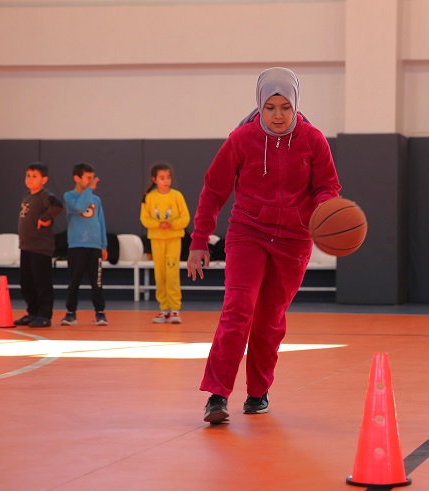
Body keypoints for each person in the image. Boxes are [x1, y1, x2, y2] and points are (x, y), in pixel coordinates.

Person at [187, 67, 341, 424]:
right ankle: (217, 395)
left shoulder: (314, 139)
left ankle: (257, 393)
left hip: (294, 239)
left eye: (284, 107)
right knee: (237, 309)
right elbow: (213, 191)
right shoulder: (241, 139)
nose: (277, 115)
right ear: (259, 105)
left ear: (295, 105)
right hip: (248, 232)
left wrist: (323, 210)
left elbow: (328, 186)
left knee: (270, 319)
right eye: (270, 107)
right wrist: (198, 242)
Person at [140, 161, 190, 324]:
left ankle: (175, 309)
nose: (166, 181)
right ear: (154, 179)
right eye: (162, 178)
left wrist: (172, 224)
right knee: (160, 274)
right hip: (157, 240)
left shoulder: (177, 196)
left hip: (173, 239)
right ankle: (164, 310)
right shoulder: (149, 197)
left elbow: (185, 217)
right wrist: (158, 224)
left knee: (172, 274)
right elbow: (145, 218)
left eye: (168, 177)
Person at [15, 162, 64, 328]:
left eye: (34, 176)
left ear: (44, 179)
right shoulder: (26, 196)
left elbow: (57, 205)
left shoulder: (45, 196)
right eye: (28, 175)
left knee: (41, 282)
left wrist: (45, 217)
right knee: (26, 282)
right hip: (26, 247)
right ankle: (33, 312)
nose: (30, 179)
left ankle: (44, 315)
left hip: (40, 248)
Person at [60, 162, 109, 327]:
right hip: (76, 246)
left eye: (92, 178)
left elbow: (100, 221)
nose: (92, 181)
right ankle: (71, 313)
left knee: (97, 282)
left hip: (94, 247)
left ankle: (100, 312)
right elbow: (81, 206)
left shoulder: (96, 200)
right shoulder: (69, 197)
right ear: (77, 178)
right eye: (88, 178)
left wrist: (103, 245)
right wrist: (89, 190)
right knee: (74, 280)